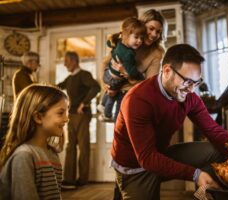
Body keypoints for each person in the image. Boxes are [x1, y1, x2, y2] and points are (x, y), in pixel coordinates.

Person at [111, 44, 228, 199]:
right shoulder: (137, 100)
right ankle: (123, 187)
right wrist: (196, 175)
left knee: (216, 151)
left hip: (160, 154)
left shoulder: (189, 97)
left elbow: (214, 131)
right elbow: (147, 158)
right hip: (135, 167)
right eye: (187, 81)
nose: (191, 89)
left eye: (196, 82)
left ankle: (201, 196)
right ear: (167, 71)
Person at [0, 84, 68, 200]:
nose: (66, 119)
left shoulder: (52, 154)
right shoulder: (24, 156)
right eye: (61, 113)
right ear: (38, 117)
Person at [99, 9, 167, 121]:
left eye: (158, 32)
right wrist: (105, 86)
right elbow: (105, 63)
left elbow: (148, 84)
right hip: (113, 87)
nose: (154, 34)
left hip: (132, 94)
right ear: (141, 25)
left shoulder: (157, 52)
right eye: (151, 29)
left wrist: (126, 73)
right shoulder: (126, 40)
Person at [57, 51, 100, 189]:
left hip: (82, 115)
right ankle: (69, 179)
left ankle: (83, 180)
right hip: (71, 115)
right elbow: (57, 87)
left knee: (83, 146)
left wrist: (84, 103)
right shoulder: (69, 79)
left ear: (74, 61)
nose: (64, 64)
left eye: (67, 61)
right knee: (70, 147)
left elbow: (96, 87)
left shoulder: (84, 75)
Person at [100, 17, 146, 121]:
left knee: (111, 95)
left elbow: (109, 43)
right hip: (116, 80)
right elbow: (132, 71)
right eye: (136, 37)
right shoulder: (129, 54)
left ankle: (102, 105)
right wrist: (141, 77)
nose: (139, 41)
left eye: (142, 38)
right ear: (125, 35)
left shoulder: (118, 42)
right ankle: (107, 114)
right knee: (114, 99)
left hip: (107, 74)